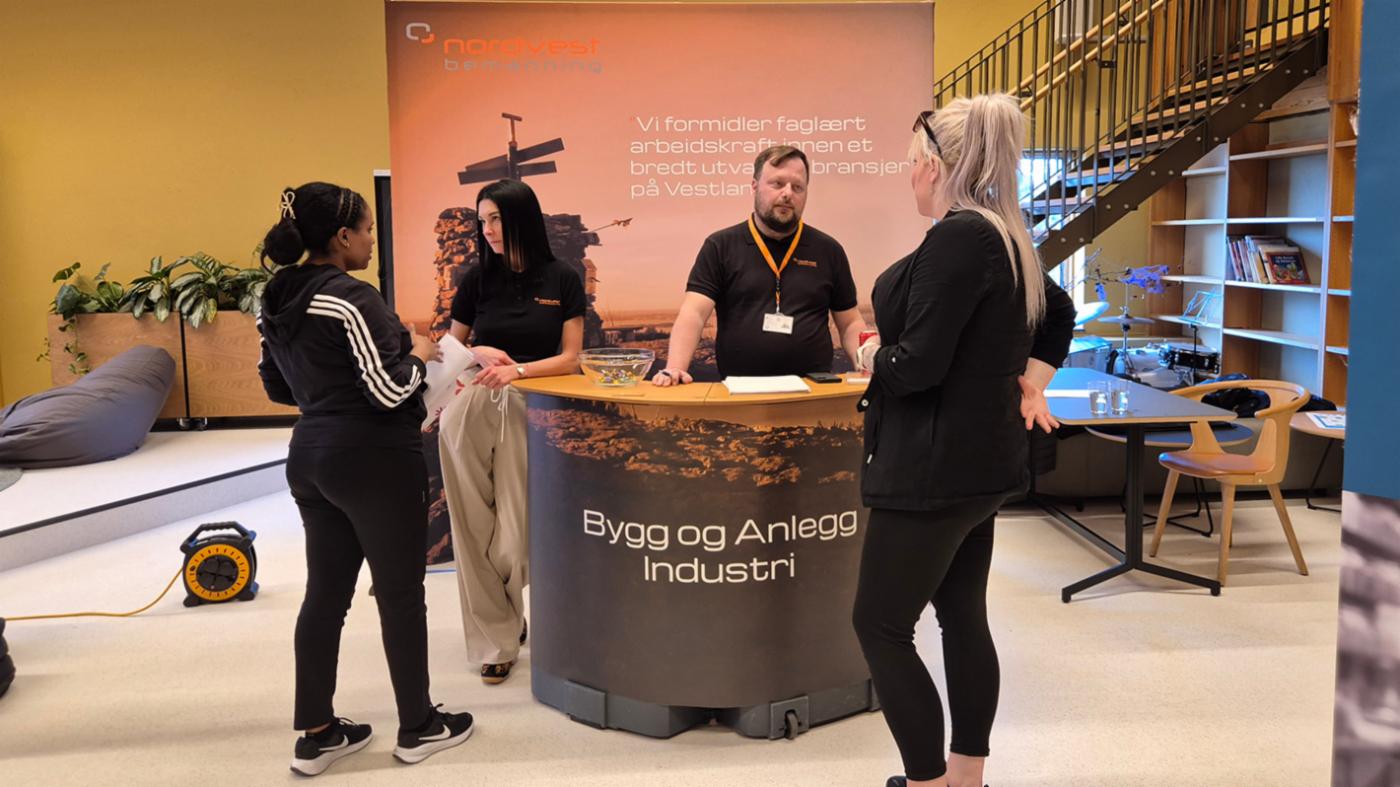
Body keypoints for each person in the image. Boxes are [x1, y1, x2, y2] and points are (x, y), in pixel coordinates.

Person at [850, 96, 1075, 787]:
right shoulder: (1005, 236)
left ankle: (927, 781)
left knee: (880, 626)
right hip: (978, 471)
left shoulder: (959, 238)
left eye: (911, 163)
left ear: (935, 164)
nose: (908, 175)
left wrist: (870, 352)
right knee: (961, 617)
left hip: (930, 472)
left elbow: (916, 367)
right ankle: (964, 777)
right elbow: (1059, 311)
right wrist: (1032, 383)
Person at [258, 182, 475, 776]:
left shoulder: (275, 296)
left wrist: (327, 393)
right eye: (367, 230)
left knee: (325, 595)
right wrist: (421, 352)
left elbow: (275, 386)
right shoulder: (352, 298)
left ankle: (318, 734)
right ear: (341, 236)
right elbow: (389, 390)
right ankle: (419, 727)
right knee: (400, 594)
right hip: (375, 458)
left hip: (310, 455)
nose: (372, 241)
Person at [439, 178, 585, 684]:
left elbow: (571, 359)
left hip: (529, 406)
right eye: (482, 220)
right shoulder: (475, 279)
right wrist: (477, 352)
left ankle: (512, 612)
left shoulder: (562, 278)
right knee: (471, 525)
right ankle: (496, 638)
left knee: (516, 531)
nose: (488, 229)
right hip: (471, 409)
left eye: (496, 218)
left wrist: (518, 371)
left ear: (521, 218)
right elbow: (450, 351)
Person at [651, 145, 867, 384]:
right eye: (777, 184)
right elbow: (694, 313)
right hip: (739, 392)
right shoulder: (720, 246)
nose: (787, 193)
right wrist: (675, 367)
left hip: (814, 390)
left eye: (797, 187)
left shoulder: (828, 250)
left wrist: (868, 362)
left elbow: (850, 323)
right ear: (754, 186)